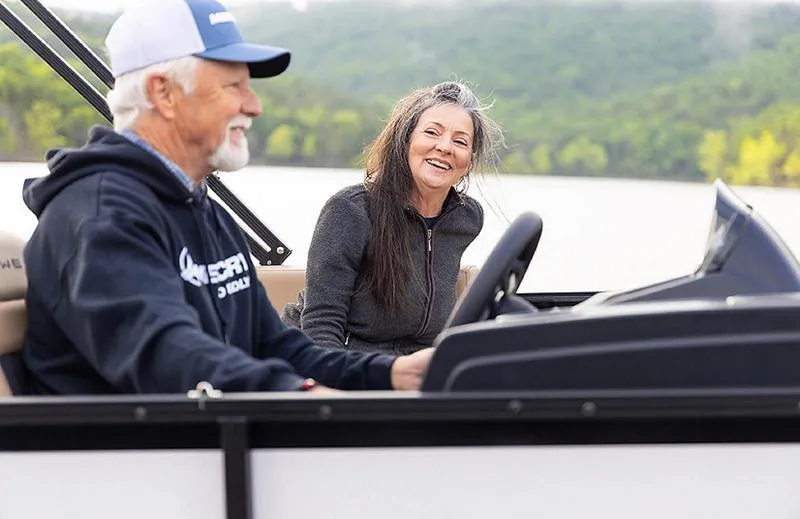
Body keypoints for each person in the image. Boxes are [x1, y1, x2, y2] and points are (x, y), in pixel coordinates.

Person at [17, 0, 432, 395]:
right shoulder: (99, 215)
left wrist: (394, 373)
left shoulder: (200, 208)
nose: (253, 106)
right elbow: (172, 360)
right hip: (124, 461)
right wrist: (302, 396)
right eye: (233, 86)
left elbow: (275, 346)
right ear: (164, 93)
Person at [282, 81, 503, 355]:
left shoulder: (466, 219)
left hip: (410, 367)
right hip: (334, 361)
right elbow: (321, 325)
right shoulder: (350, 211)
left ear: (469, 160)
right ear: (406, 139)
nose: (445, 147)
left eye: (460, 141)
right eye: (432, 132)